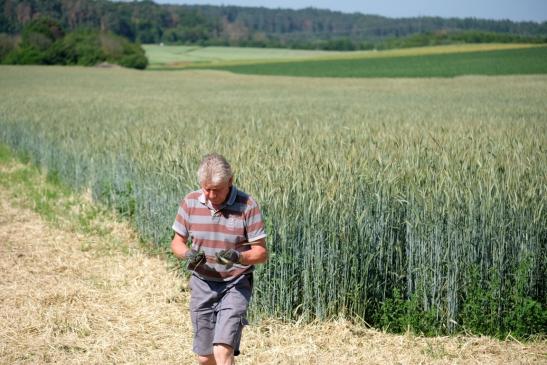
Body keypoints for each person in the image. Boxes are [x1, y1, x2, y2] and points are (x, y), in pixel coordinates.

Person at [171, 153, 268, 365]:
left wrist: (238, 257)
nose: (211, 195)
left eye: (217, 189)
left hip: (235, 283)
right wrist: (188, 254)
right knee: (205, 357)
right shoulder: (190, 202)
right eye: (206, 188)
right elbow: (177, 243)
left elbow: (261, 253)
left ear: (231, 181)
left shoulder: (247, 205)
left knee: (223, 351)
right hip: (202, 283)